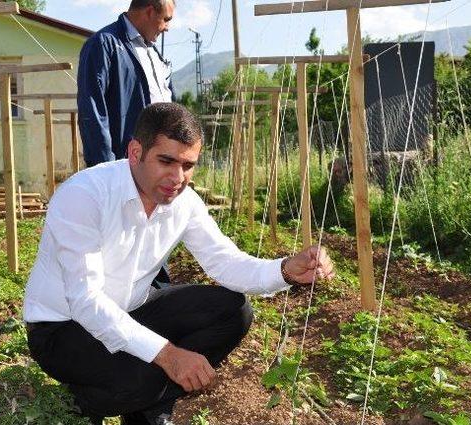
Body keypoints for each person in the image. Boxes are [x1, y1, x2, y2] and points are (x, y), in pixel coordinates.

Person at [24, 103, 336, 425]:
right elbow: (86, 301)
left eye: (188, 165)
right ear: (135, 152)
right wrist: (168, 356)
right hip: (64, 328)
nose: (177, 177)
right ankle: (87, 400)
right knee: (143, 378)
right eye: (166, 161)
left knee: (233, 309)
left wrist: (285, 269)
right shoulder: (84, 195)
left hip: (132, 309)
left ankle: (144, 400)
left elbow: (226, 262)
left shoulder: (183, 202)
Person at [77, 0, 176, 168]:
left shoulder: (153, 53)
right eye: (166, 19)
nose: (167, 28)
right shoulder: (104, 44)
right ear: (150, 12)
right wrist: (107, 168)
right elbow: (92, 111)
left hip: (158, 167)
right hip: (125, 167)